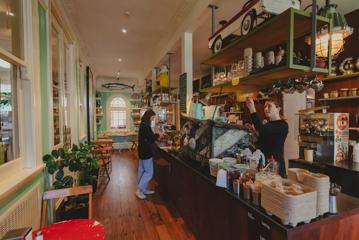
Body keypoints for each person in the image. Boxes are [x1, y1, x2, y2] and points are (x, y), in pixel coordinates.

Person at [246, 97, 288, 177]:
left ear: (278, 109)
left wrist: (252, 109)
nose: (266, 109)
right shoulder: (267, 124)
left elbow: (261, 129)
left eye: (269, 106)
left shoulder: (282, 125)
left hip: (275, 163)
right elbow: (260, 141)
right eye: (265, 106)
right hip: (264, 161)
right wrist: (253, 132)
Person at [136, 109, 162, 200]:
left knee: (142, 170)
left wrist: (155, 135)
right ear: (149, 116)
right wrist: (158, 135)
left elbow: (148, 137)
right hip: (146, 152)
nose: (153, 119)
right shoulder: (146, 126)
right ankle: (139, 190)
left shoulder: (142, 124)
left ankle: (143, 189)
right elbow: (151, 138)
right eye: (152, 117)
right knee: (149, 172)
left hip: (142, 151)